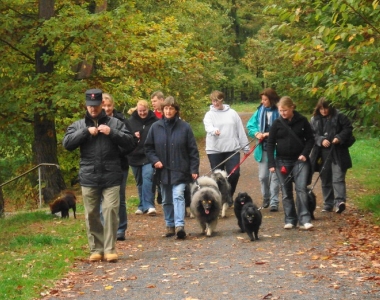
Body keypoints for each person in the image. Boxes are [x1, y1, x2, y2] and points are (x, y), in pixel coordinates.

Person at [63, 89, 136, 262]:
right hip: (89, 176)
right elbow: (67, 144)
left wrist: (112, 132)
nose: (93, 109)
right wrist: (86, 132)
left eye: (96, 106)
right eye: (90, 106)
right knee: (91, 213)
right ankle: (96, 248)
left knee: (110, 211)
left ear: (102, 105)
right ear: (86, 106)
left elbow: (131, 142)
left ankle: (110, 248)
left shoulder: (115, 123)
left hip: (111, 175)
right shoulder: (78, 125)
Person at [145, 96, 199, 239]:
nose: (168, 111)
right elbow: (148, 148)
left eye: (171, 108)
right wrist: (155, 160)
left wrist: (194, 169)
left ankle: (179, 225)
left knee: (178, 195)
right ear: (162, 110)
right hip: (163, 171)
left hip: (180, 170)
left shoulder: (185, 127)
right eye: (166, 108)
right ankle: (169, 225)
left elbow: (193, 150)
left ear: (176, 110)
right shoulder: (155, 127)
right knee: (167, 199)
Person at [266, 96, 314, 230]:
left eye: (285, 110)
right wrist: (271, 163)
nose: (283, 113)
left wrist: (305, 154)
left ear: (292, 107)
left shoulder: (302, 121)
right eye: (280, 111)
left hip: (300, 161)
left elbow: (310, 139)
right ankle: (290, 219)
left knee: (301, 189)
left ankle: (305, 219)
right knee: (286, 192)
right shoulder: (277, 123)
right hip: (282, 161)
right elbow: (270, 144)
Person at [310, 97, 353, 214]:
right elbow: (311, 134)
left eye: (326, 108)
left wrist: (339, 138)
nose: (323, 111)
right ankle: (328, 203)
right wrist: (321, 140)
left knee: (338, 177)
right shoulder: (314, 119)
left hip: (339, 152)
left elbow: (348, 128)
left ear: (331, 107)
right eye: (321, 108)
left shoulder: (340, 116)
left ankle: (339, 202)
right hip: (322, 153)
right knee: (325, 178)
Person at [203, 90, 250, 198]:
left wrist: (246, 147)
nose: (215, 103)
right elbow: (208, 127)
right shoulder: (209, 115)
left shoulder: (232, 113)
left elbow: (240, 130)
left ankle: (228, 196)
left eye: (217, 101)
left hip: (232, 149)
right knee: (217, 177)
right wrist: (214, 130)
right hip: (214, 150)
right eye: (213, 101)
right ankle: (219, 197)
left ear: (222, 100)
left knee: (234, 174)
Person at [102, 93, 136, 241]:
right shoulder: (93, 121)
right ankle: (105, 228)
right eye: (104, 105)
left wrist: (118, 152)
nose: (106, 108)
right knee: (102, 199)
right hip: (101, 166)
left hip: (120, 164)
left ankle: (121, 228)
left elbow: (131, 142)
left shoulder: (121, 120)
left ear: (113, 106)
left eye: (109, 106)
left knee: (119, 198)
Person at [247, 88, 280, 211]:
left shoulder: (279, 111)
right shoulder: (259, 111)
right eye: (262, 99)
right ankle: (266, 197)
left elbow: (283, 127)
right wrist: (256, 133)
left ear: (271, 99)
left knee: (274, 176)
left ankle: (274, 202)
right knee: (263, 177)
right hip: (263, 148)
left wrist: (268, 133)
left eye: (265, 99)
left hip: (277, 148)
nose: (263, 101)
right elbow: (250, 125)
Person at [126, 99, 159, 216]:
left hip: (149, 155)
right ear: (136, 110)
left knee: (148, 179)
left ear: (148, 109)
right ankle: (141, 205)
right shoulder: (130, 121)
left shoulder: (155, 121)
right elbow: (125, 136)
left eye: (144, 110)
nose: (142, 113)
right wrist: (133, 136)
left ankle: (150, 205)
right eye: (140, 111)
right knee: (139, 182)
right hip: (134, 155)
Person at [150, 91, 165, 204]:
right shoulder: (151, 115)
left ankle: (163, 194)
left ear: (161, 100)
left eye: (155, 101)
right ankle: (159, 192)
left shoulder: (169, 112)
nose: (153, 103)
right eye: (152, 102)